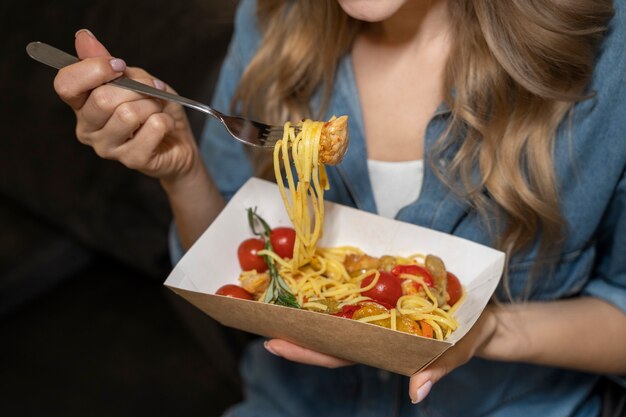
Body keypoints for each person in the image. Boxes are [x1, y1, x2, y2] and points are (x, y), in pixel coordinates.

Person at [52, 0, 626, 415]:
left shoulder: (609, 50)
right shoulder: (270, 21)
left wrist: (487, 329)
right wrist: (181, 172)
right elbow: (236, 263)